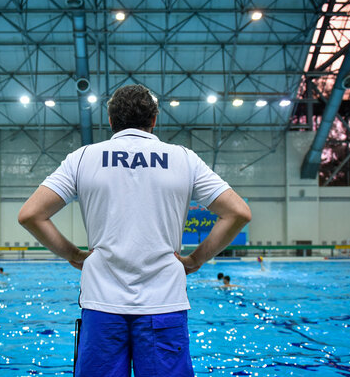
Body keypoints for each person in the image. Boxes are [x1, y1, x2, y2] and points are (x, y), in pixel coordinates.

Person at [18, 84, 251, 376]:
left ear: (110, 120)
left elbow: (30, 215)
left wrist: (74, 255)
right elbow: (238, 213)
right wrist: (195, 260)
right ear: (154, 120)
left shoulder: (83, 158)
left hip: (102, 303)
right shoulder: (183, 159)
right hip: (164, 302)